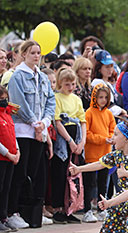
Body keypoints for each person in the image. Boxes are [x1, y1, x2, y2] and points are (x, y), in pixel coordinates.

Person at [7, 40, 56, 229]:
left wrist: (44, 122)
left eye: (38, 53)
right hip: (23, 131)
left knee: (35, 172)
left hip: (39, 131)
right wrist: (33, 122)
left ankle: (31, 210)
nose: (36, 56)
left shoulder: (42, 77)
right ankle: (14, 211)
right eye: (32, 52)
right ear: (24, 54)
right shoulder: (18, 76)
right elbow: (18, 102)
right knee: (20, 172)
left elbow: (50, 101)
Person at [49, 68, 86, 224]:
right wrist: (70, 141)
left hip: (75, 134)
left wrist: (82, 141)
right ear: (60, 84)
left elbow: (82, 120)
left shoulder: (76, 99)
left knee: (72, 174)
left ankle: (70, 206)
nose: (70, 87)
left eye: (72, 84)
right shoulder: (57, 98)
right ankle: (57, 207)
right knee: (59, 173)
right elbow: (57, 122)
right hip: (64, 138)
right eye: (66, 84)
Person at [81, 84, 116, 223]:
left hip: (105, 154)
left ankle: (102, 209)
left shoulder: (108, 113)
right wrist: (103, 139)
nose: (103, 100)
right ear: (94, 97)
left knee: (103, 184)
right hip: (92, 154)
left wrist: (112, 138)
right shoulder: (89, 112)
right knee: (89, 183)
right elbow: (87, 134)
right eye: (100, 97)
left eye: (105, 97)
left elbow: (113, 129)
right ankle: (87, 210)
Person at [0, 86, 20, 232]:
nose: (4, 101)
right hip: (3, 157)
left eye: (5, 98)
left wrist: (17, 151)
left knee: (6, 189)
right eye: (1, 99)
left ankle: (4, 216)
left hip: (11, 158)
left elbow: (13, 135)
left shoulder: (8, 115)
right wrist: (8, 153)